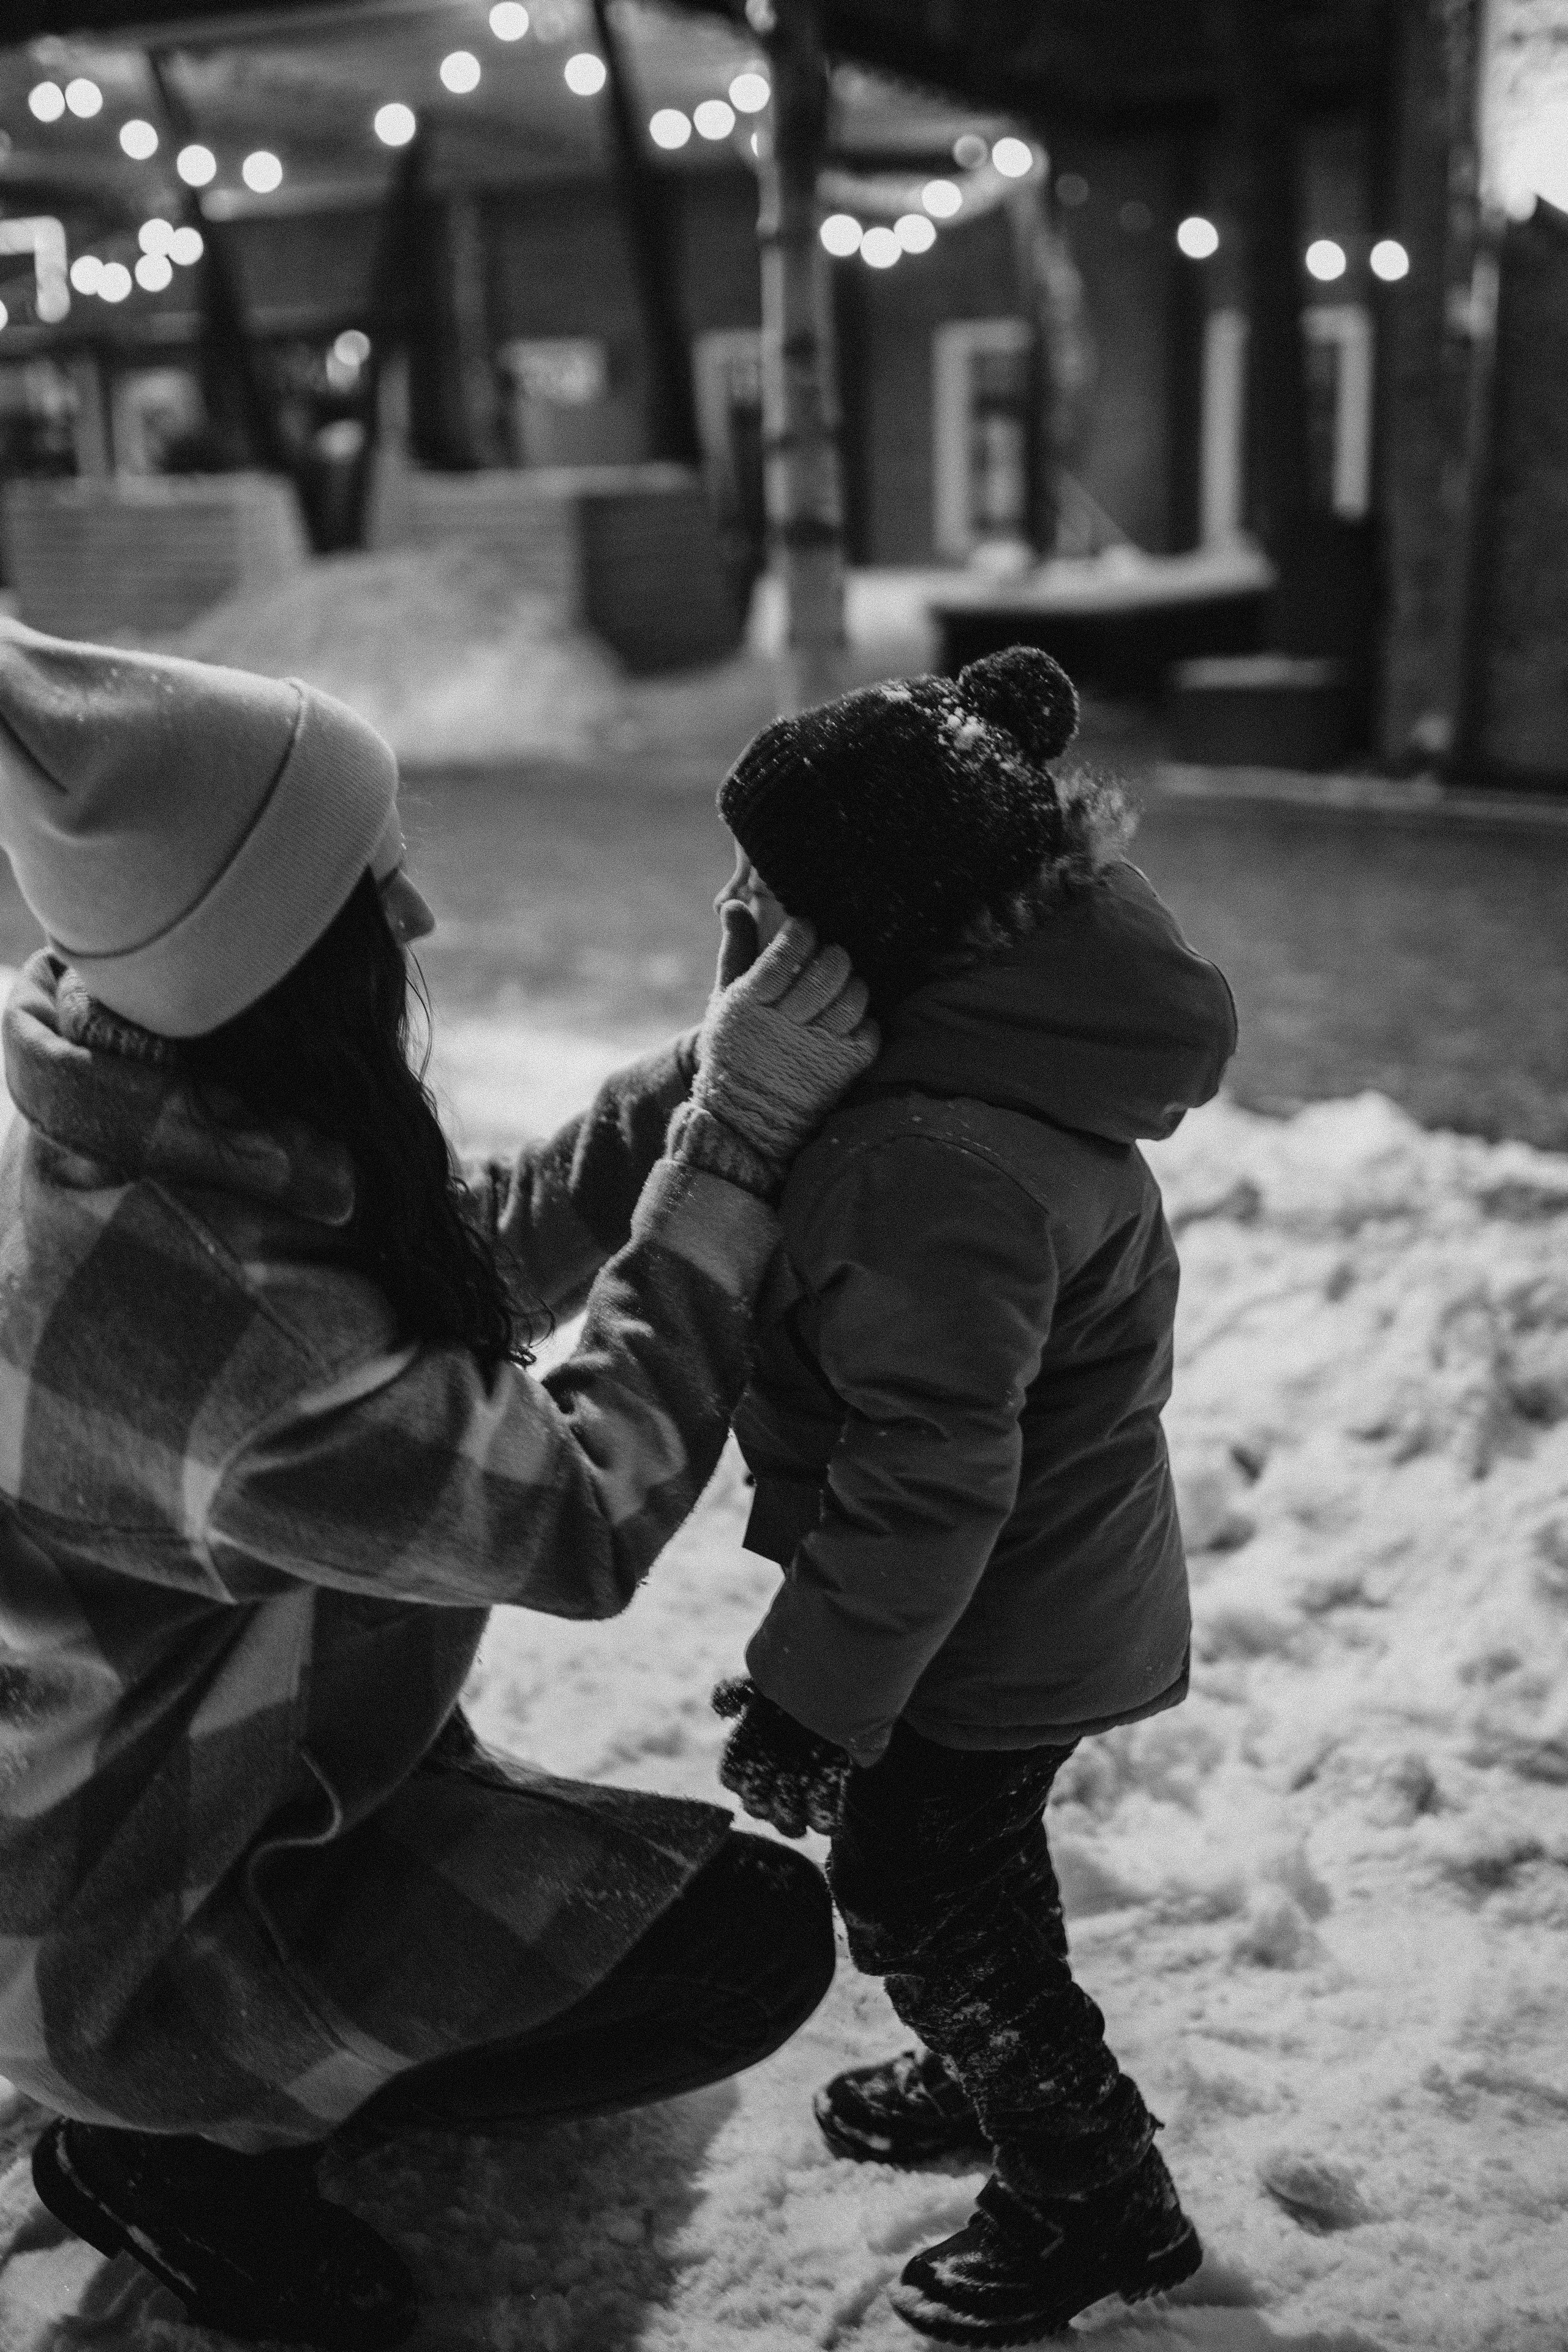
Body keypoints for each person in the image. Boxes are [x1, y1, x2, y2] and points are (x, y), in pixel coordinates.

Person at [0, 620, 879, 2349]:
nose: (418, 923)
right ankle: (187, 2146)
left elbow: (441, 1275)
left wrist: (692, 1093)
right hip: (134, 1943)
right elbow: (570, 1507)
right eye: (368, 894)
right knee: (750, 1940)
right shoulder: (215, 1350)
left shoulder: (138, 1101)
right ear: (253, 952)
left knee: (629, 1899)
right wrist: (738, 1165)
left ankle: (251, 2073)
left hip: (144, 1818)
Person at [707, 647, 1239, 2346]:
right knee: (975, 1870)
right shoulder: (1004, 1060)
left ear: (862, 923)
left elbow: (928, 1476)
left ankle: (1091, 2192)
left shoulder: (931, 1152)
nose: (731, 912)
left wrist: (814, 1695)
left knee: (922, 1885)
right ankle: (981, 2059)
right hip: (1038, 1589)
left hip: (992, 1622)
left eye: (763, 891)